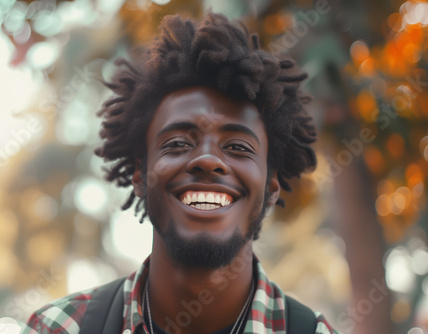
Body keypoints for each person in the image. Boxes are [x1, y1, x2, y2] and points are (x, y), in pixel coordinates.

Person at [21, 11, 341, 334]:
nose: (207, 160)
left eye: (239, 147)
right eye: (177, 142)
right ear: (140, 174)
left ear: (272, 184)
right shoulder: (57, 329)